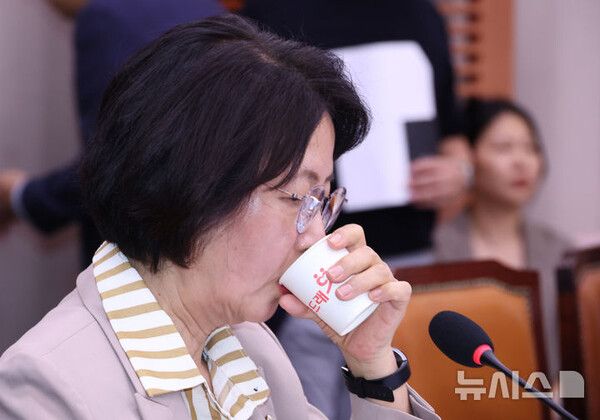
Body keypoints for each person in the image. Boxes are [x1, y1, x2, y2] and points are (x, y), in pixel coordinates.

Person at [0, 15, 438, 419]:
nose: (316, 236)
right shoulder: (45, 386)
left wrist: (372, 364)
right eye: (299, 198)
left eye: (323, 200)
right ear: (195, 186)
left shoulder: (247, 344)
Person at [241, 1, 470, 417]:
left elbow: (453, 132)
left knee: (399, 379)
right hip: (304, 261)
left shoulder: (419, 13)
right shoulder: (271, 12)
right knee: (301, 396)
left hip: (409, 255)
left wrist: (459, 172)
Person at [0, 0, 224, 265]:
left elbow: (116, 162)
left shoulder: (104, 19)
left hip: (146, 261)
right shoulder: (207, 7)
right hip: (212, 244)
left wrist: (21, 197)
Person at [434, 97, 571, 380]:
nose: (521, 161)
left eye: (531, 148)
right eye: (503, 148)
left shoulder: (559, 250)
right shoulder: (438, 247)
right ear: (469, 159)